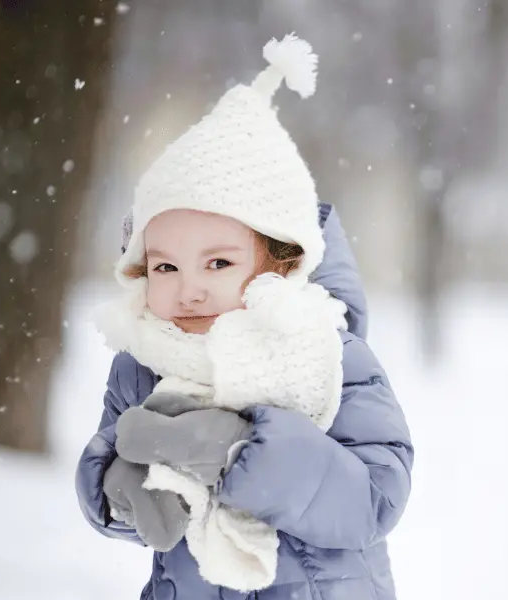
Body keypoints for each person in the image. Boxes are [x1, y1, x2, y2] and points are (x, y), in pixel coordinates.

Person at [74, 34, 412, 600]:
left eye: (218, 263)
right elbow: (107, 467)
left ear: (280, 261)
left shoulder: (328, 354)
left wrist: (238, 452)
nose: (190, 290)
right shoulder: (144, 363)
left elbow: (375, 498)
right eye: (165, 268)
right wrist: (124, 489)